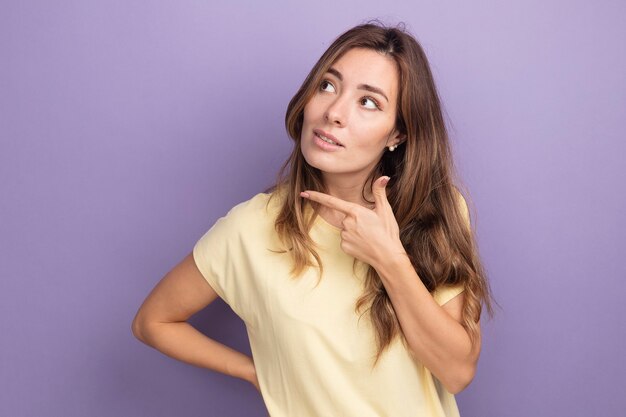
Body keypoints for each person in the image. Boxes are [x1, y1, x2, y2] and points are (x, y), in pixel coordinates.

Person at [132, 20, 494, 417]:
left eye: (368, 102)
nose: (334, 112)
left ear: (398, 134)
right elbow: (153, 321)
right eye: (327, 85)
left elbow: (457, 372)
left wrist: (390, 260)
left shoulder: (434, 212)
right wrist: (258, 374)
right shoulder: (252, 229)